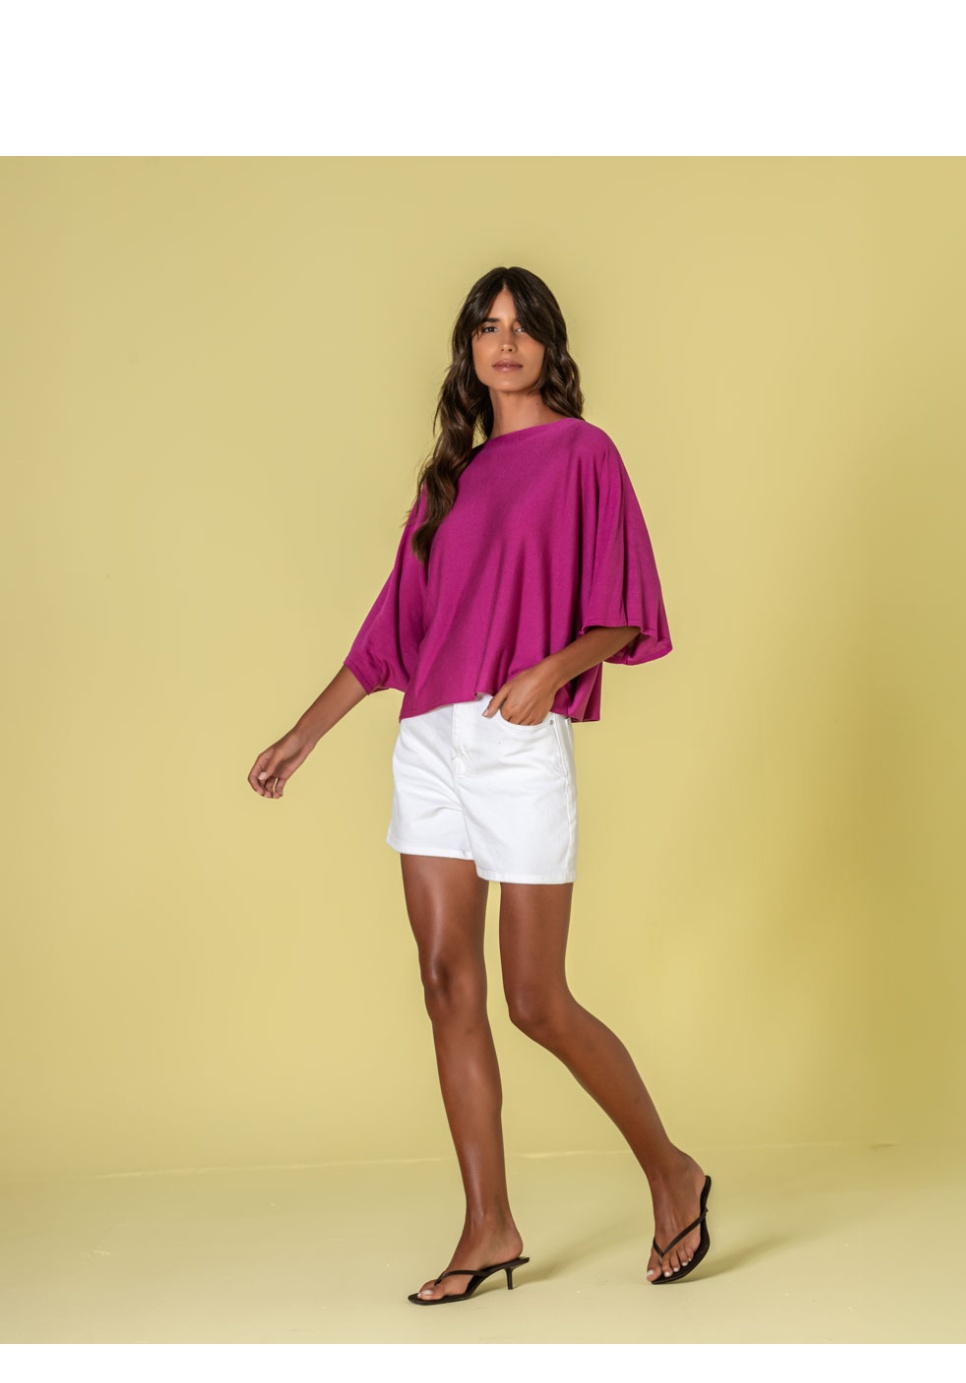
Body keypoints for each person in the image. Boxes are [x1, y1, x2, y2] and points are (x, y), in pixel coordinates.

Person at [248, 266, 712, 1304]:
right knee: (444, 985)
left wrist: (550, 672)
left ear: (549, 343)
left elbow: (628, 611)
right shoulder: (448, 480)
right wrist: (302, 736)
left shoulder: (584, 455)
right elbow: (389, 636)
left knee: (535, 998)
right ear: (468, 348)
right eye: (486, 327)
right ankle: (488, 1225)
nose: (504, 343)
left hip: (515, 740)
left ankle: (672, 1172)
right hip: (429, 744)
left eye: (521, 326)